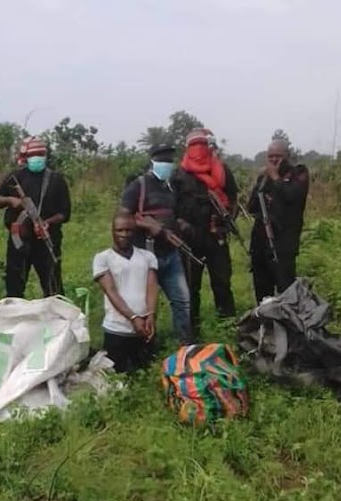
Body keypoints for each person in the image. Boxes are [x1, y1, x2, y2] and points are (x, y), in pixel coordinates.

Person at [120, 143, 192, 344]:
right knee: (146, 304)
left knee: (182, 300)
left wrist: (179, 223)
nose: (166, 165)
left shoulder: (170, 186)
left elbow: (172, 213)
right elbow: (123, 218)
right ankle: (147, 343)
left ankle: (184, 344)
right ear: (153, 161)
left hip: (171, 253)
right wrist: (150, 226)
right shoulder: (139, 186)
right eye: (162, 161)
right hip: (146, 255)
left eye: (169, 161)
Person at [174, 129, 238, 338]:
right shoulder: (179, 174)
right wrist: (181, 225)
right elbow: (171, 206)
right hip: (190, 240)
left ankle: (228, 327)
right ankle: (192, 334)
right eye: (194, 147)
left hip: (216, 236)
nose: (198, 152)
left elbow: (234, 199)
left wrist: (226, 222)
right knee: (191, 288)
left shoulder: (222, 171)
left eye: (202, 146)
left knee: (222, 284)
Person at [0, 136, 71, 298]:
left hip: (47, 240)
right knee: (14, 287)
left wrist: (47, 223)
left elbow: (65, 213)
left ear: (46, 156)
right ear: (26, 158)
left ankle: (55, 319)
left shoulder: (56, 179)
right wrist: (11, 200)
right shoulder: (15, 177)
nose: (37, 159)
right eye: (34, 155)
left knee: (52, 286)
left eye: (41, 154)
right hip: (19, 240)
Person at [93, 212, 158, 373]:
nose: (124, 235)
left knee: (145, 374)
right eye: (119, 230)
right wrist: (133, 317)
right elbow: (111, 291)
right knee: (116, 378)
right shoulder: (102, 259)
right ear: (112, 232)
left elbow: (152, 287)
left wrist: (150, 315)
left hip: (144, 330)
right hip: (116, 330)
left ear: (134, 232)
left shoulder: (147, 257)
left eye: (128, 230)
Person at [248, 139, 309, 302]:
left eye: (278, 156)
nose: (274, 160)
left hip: (284, 242)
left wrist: (275, 178)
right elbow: (252, 206)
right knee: (262, 289)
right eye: (271, 156)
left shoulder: (298, 173)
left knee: (286, 288)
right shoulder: (264, 177)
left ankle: (290, 324)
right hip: (261, 241)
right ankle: (265, 323)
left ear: (287, 156)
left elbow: (292, 196)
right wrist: (263, 181)